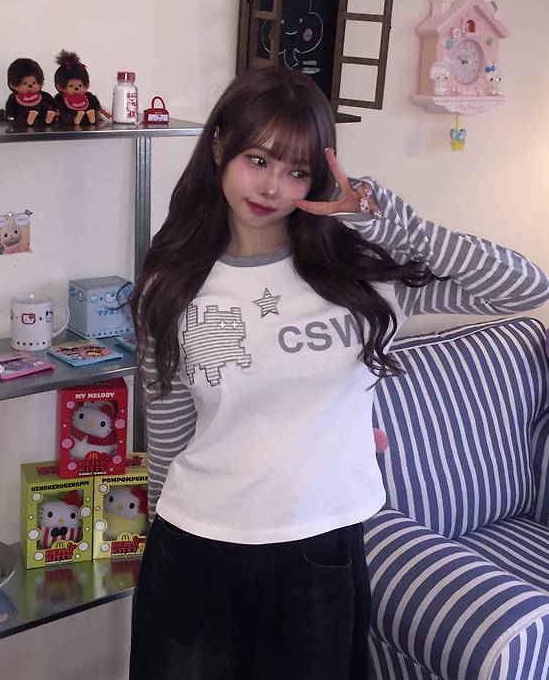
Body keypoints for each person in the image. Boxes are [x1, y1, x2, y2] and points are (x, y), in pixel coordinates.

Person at [128, 67, 549, 680]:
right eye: (257, 160)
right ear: (219, 146)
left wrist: (397, 224)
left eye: (297, 171)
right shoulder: (170, 284)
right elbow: (168, 431)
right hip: (196, 545)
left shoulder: (357, 274)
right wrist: (153, 530)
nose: (273, 187)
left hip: (321, 547)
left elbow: (526, 286)